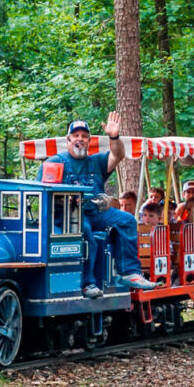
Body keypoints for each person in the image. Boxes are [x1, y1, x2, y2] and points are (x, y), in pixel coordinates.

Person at [44, 114, 159, 296]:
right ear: (68, 139)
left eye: (84, 136)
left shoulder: (96, 161)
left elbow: (118, 155)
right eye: (76, 135)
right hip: (66, 218)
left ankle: (129, 273)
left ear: (89, 140)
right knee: (86, 232)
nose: (80, 139)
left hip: (94, 213)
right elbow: (41, 193)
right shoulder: (54, 163)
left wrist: (114, 136)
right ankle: (88, 283)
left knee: (127, 220)